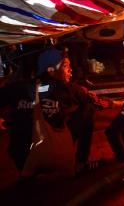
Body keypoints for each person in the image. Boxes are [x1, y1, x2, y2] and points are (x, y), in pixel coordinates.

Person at [0, 48, 115, 176]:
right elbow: (94, 101)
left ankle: (32, 170)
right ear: (50, 70)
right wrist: (115, 103)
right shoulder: (68, 89)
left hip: (22, 160)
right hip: (52, 153)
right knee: (88, 108)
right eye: (66, 66)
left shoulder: (19, 87)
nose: (70, 70)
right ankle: (80, 164)